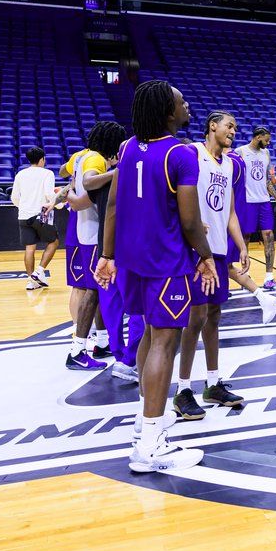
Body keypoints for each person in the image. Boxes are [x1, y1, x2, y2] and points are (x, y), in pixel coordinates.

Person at [95, 80, 217, 473]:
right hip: (166, 263)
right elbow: (189, 219)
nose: (188, 108)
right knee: (166, 343)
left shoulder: (128, 148)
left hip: (132, 261)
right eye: (182, 103)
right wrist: (206, 255)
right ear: (169, 112)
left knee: (149, 335)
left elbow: (112, 206)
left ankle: (145, 422)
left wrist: (108, 255)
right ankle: (151, 446)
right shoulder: (182, 154)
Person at [173, 110, 251, 420]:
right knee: (196, 316)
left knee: (214, 316)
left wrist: (241, 245)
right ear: (212, 126)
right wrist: (189, 224)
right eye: (229, 125)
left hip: (218, 250)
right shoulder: (192, 152)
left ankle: (213, 383)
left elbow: (230, 212)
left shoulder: (230, 164)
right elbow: (178, 195)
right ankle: (182, 389)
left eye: (235, 126)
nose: (233, 130)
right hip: (196, 250)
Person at [60, 122, 127, 371]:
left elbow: (63, 171)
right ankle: (78, 349)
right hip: (91, 232)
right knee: (91, 291)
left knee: (98, 290)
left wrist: (67, 189)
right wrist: (118, 172)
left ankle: (100, 342)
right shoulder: (96, 160)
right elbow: (88, 183)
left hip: (85, 229)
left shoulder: (80, 155)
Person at [225, 144, 276, 323]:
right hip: (240, 206)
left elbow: (232, 210)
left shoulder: (235, 160)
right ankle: (261, 296)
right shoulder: (238, 155)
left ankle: (266, 284)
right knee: (224, 265)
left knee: (224, 264)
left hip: (247, 206)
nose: (232, 132)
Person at [235, 127, 276, 290]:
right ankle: (245, 276)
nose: (269, 142)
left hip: (264, 201)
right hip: (246, 202)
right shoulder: (240, 152)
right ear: (258, 137)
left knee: (269, 236)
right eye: (267, 139)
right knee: (245, 238)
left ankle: (269, 278)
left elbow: (266, 181)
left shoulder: (266, 154)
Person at [10, 147, 59, 290]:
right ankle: (39, 271)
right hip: (41, 214)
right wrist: (60, 201)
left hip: (24, 215)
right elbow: (49, 194)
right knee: (54, 242)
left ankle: (31, 281)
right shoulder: (47, 173)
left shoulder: (20, 174)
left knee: (29, 248)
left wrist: (23, 207)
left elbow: (14, 197)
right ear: (42, 159)